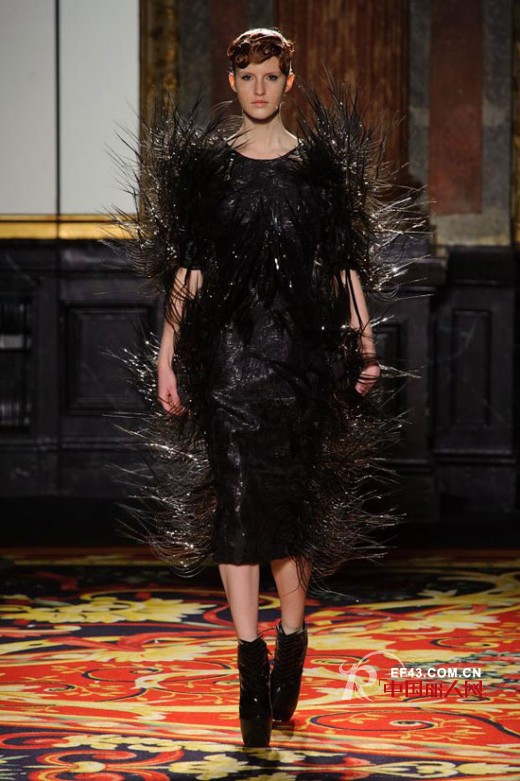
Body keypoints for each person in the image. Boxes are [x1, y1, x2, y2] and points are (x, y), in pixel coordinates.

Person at [120, 27, 414, 749]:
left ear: (288, 81)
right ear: (233, 83)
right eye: (247, 76)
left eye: (270, 75)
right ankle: (250, 666)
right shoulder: (211, 174)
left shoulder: (317, 171)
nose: (258, 88)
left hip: (301, 359)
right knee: (238, 503)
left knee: (293, 503)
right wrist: (167, 357)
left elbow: (344, 265)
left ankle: (293, 632)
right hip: (227, 361)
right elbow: (188, 271)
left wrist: (365, 345)